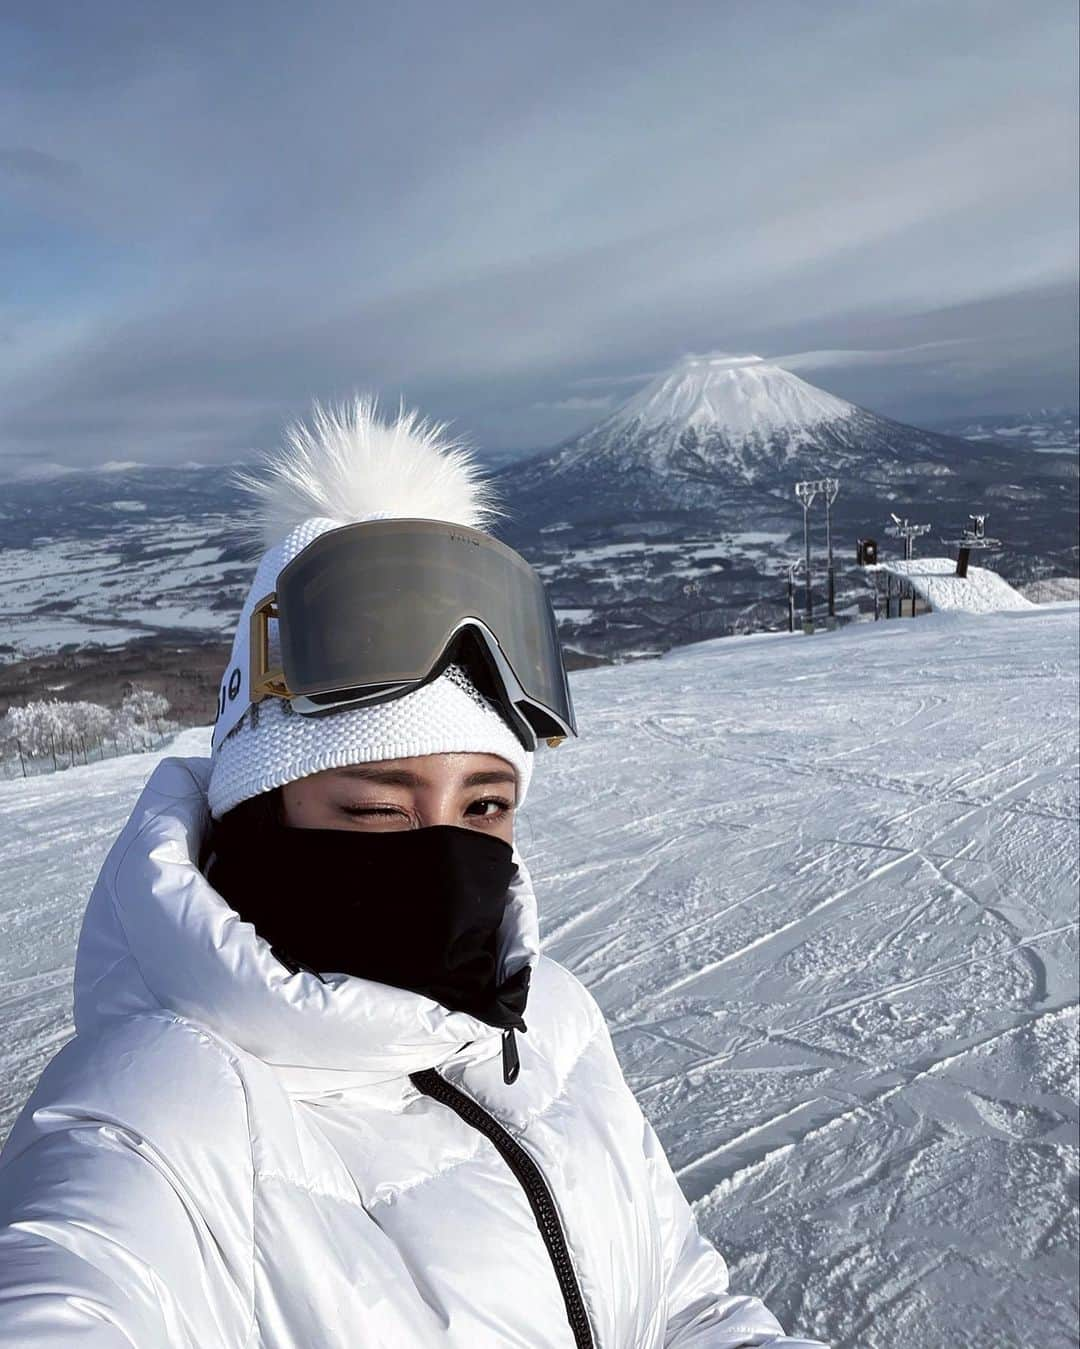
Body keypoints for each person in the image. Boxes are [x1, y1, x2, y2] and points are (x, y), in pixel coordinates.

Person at [0, 399, 826, 1348]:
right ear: (259, 813)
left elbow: (686, 1309)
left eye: (485, 807)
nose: (444, 857)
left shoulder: (548, 1016)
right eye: (376, 808)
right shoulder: (153, 1116)